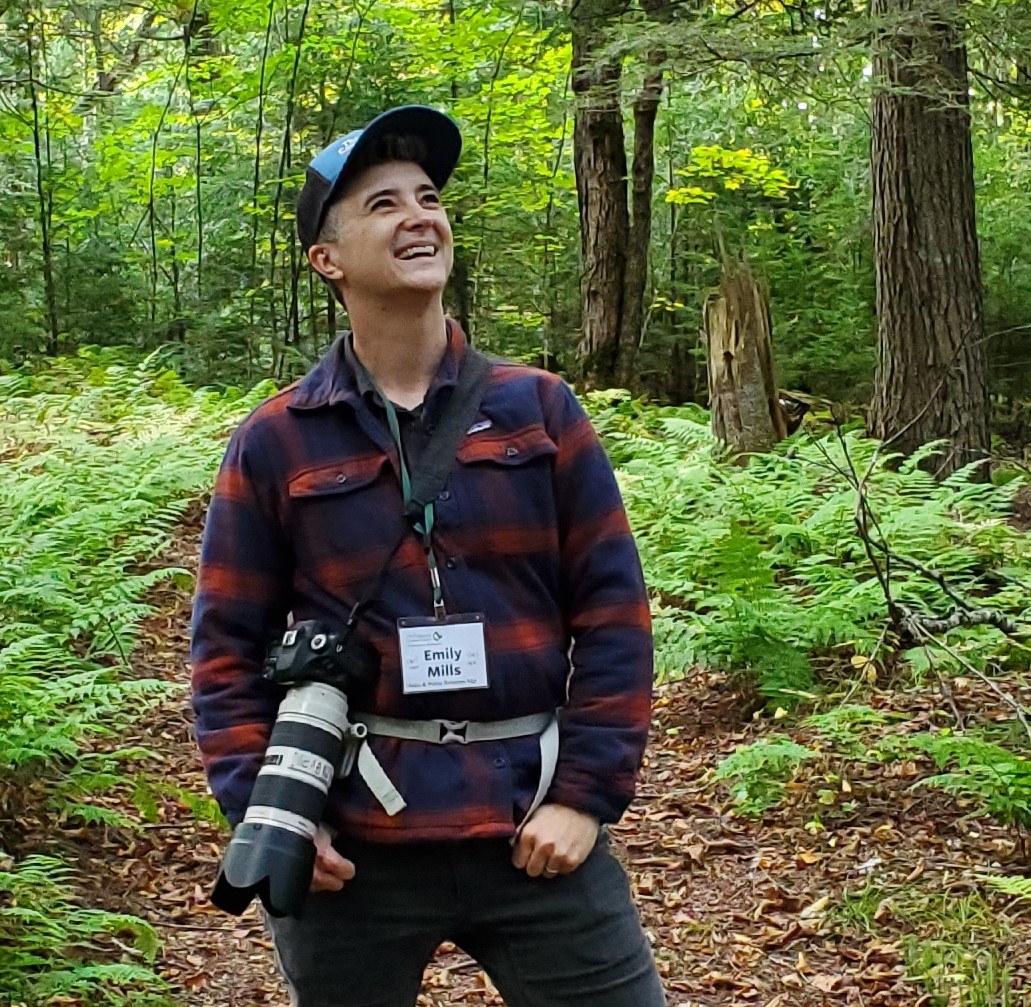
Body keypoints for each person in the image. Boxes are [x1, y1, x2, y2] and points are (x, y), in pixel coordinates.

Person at [190, 105, 665, 1007]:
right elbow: (222, 652)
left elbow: (613, 615)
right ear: (327, 259)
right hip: (353, 846)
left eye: (429, 197)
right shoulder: (277, 439)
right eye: (382, 204)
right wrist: (271, 811)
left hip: (530, 825)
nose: (419, 216)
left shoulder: (540, 411)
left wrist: (586, 795)